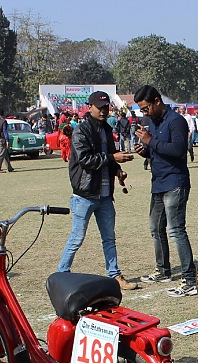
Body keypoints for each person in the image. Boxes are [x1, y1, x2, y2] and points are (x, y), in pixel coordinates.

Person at [57, 91, 138, 291]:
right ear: (90, 107)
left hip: (105, 196)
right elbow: (85, 160)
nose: (103, 111)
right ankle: (61, 274)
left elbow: (109, 158)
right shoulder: (81, 131)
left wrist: (118, 171)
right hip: (84, 194)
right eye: (99, 107)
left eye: (106, 107)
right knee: (77, 238)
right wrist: (113, 158)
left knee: (109, 238)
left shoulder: (107, 129)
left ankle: (115, 275)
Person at [133, 85, 197, 297]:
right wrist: (146, 151)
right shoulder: (154, 121)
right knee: (155, 228)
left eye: (146, 108)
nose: (145, 113)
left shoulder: (175, 121)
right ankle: (163, 270)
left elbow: (178, 151)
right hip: (158, 183)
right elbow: (158, 153)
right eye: (142, 110)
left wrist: (151, 141)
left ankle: (189, 279)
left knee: (176, 230)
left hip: (175, 182)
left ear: (157, 101)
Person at [0, 109, 14, 173]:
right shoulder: (3, 121)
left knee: (5, 153)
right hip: (2, 139)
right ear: (3, 114)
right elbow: (5, 131)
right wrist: (7, 140)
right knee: (1, 154)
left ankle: (9, 167)